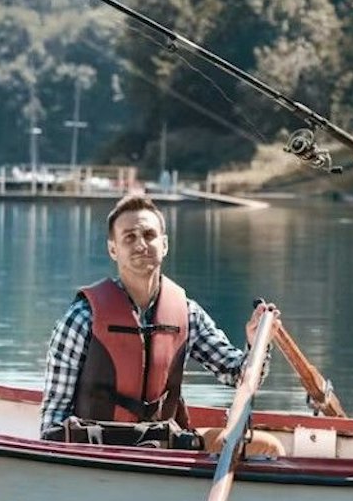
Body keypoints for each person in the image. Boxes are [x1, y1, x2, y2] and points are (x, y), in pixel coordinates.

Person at [39, 193, 281, 456]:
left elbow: (238, 375)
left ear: (164, 245)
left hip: (164, 448)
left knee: (269, 447)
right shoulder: (83, 318)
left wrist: (258, 344)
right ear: (113, 249)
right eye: (129, 238)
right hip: (97, 450)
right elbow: (54, 416)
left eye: (149, 236)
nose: (141, 245)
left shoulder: (187, 313)